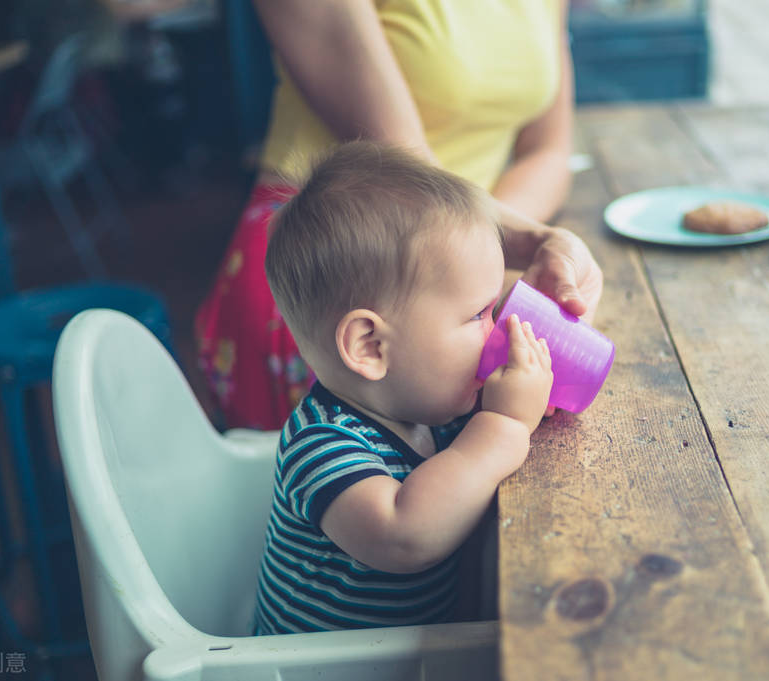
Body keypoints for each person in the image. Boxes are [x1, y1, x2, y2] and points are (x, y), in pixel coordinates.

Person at [195, 0, 603, 430]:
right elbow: (406, 171)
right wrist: (491, 256)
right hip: (334, 273)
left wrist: (495, 261)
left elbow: (548, 152)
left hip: (460, 264)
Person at [253, 141, 553, 633]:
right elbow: (404, 536)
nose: (496, 330)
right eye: (478, 315)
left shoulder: (429, 405)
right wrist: (503, 424)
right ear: (370, 346)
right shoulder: (322, 445)